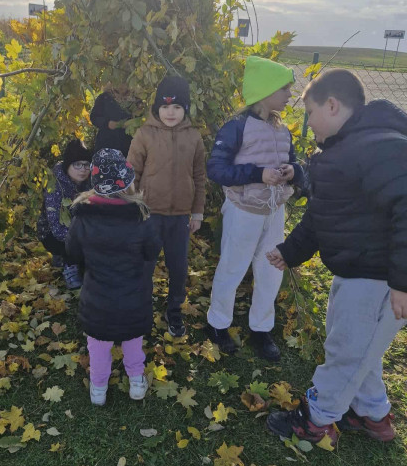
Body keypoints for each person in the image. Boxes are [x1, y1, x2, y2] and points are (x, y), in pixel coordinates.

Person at [266, 69, 407, 445]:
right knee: (360, 347)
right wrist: (289, 251)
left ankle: (315, 419)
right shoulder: (343, 151)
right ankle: (373, 414)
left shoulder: (380, 146)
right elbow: (321, 214)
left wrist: (401, 282)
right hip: (356, 271)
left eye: (311, 113)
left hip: (380, 279)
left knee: (347, 352)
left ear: (332, 105)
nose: (308, 123)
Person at [204, 55, 302, 361]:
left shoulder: (282, 130)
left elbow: (295, 161)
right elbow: (216, 170)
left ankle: (261, 329)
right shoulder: (236, 127)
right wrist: (257, 174)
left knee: (270, 270)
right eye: (284, 88)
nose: (290, 95)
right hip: (243, 212)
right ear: (265, 91)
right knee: (232, 267)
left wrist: (293, 171)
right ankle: (217, 324)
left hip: (274, 213)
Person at [66, 148, 161, 405]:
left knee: (97, 346)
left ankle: (98, 388)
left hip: (97, 298)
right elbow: (152, 250)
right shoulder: (142, 217)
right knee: (132, 342)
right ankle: (136, 381)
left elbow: (72, 253)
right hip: (133, 297)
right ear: (128, 181)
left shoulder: (82, 217)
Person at [127, 75, 205, 338]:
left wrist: (197, 212)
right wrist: (132, 208)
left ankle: (174, 311)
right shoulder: (144, 134)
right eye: (165, 107)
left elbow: (199, 177)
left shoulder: (194, 137)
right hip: (149, 215)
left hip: (180, 217)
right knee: (145, 265)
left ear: (185, 109)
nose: (170, 113)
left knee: (179, 268)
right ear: (156, 108)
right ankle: (140, 311)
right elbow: (131, 175)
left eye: (177, 107)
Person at [37, 139, 92, 289]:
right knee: (72, 248)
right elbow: (56, 226)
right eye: (77, 165)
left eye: (86, 165)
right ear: (68, 166)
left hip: (81, 229)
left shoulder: (89, 182)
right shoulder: (55, 186)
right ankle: (69, 266)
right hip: (52, 233)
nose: (83, 169)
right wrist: (82, 240)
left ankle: (67, 258)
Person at [90, 84, 140, 157]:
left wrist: (132, 124)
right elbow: (94, 117)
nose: (122, 85)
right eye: (119, 81)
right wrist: (107, 123)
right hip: (106, 146)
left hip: (128, 149)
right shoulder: (104, 98)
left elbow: (142, 120)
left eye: (124, 81)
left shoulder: (136, 100)